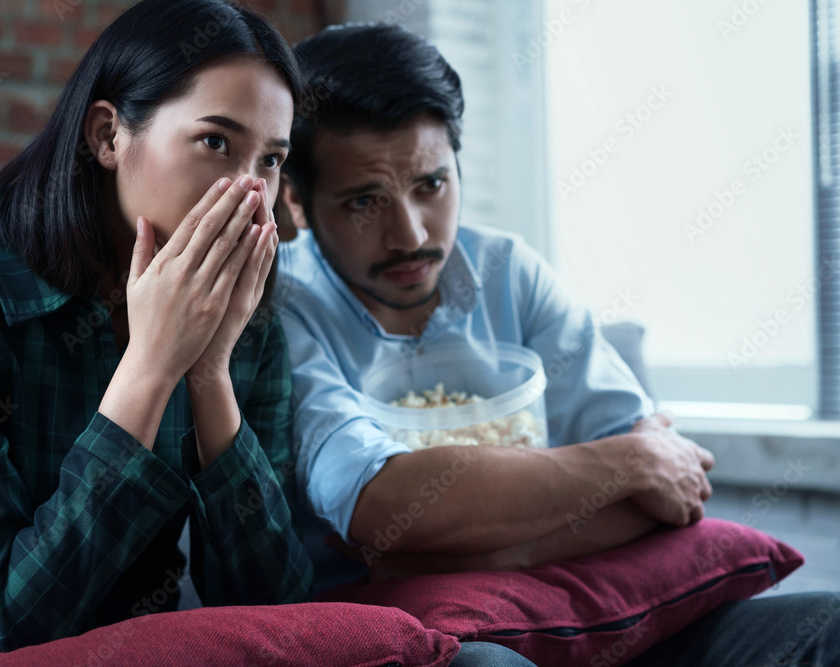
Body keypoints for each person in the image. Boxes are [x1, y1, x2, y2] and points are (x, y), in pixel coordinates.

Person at [275, 22, 839, 666]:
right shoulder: (284, 310)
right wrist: (627, 463)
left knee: (828, 624)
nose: (410, 235)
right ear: (296, 200)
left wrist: (481, 549)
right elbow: (380, 507)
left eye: (430, 185)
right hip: (416, 629)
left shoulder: (508, 271)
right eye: (364, 202)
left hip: (571, 601)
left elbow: (670, 492)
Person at [0, 1, 313, 664]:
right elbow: (7, 621)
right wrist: (153, 364)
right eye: (216, 142)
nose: (250, 193)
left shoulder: (249, 323)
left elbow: (277, 614)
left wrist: (209, 372)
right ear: (108, 137)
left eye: (270, 160)